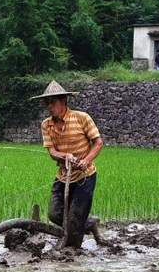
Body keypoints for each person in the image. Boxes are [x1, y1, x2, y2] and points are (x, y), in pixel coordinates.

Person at [31, 80, 105, 248]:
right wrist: (66, 155)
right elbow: (52, 152)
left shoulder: (81, 118)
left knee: (74, 218)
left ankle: (71, 251)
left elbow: (98, 143)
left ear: (63, 101)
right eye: (46, 103)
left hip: (84, 176)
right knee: (54, 214)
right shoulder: (46, 125)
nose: (49, 106)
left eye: (53, 102)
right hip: (63, 175)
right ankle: (89, 224)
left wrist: (85, 161)